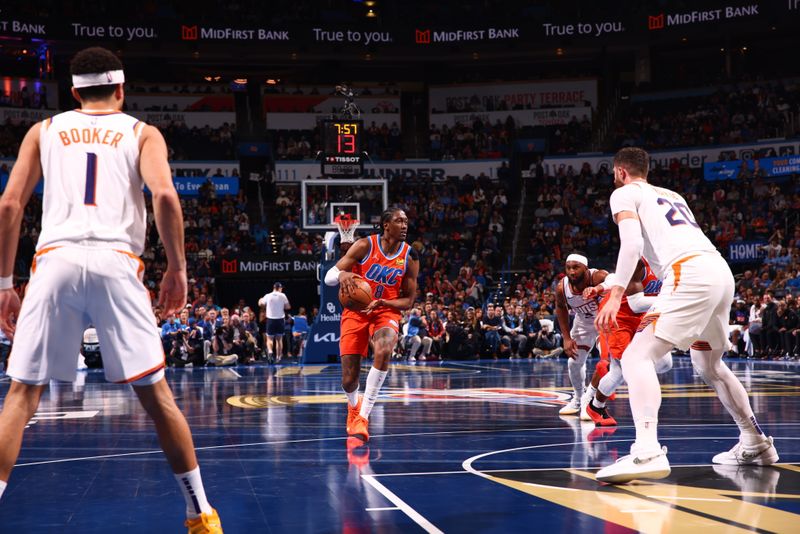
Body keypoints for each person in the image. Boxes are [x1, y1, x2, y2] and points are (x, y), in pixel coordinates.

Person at [0, 47, 222, 531]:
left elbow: (10, 205)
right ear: (121, 89)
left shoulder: (44, 130)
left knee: (21, 396)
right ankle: (200, 514)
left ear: (74, 91)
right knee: (156, 395)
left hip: (54, 260)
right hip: (117, 262)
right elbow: (164, 195)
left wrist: (3, 282)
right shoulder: (143, 132)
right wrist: (177, 269)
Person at [595, 147, 777, 484]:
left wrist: (615, 293)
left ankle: (646, 450)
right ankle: (755, 442)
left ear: (620, 171)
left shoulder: (623, 193)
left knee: (637, 356)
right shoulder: (671, 194)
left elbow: (631, 244)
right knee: (709, 364)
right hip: (719, 271)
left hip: (688, 272)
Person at [323, 208, 419, 443]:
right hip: (356, 312)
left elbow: (408, 300)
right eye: (399, 221)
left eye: (406, 221)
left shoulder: (410, 255)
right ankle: (353, 408)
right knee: (349, 380)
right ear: (386, 225)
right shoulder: (365, 245)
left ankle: (363, 418)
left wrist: (384, 301)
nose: (404, 225)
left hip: (384, 310)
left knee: (384, 349)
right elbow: (329, 276)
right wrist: (343, 276)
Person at [580, 258, 665, 427]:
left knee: (665, 362)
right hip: (619, 314)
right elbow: (615, 279)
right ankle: (595, 406)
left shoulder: (671, 262)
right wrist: (598, 288)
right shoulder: (639, 260)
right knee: (621, 371)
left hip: (643, 314)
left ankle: (600, 397)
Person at [554, 253, 608, 415]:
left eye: (576, 267)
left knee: (606, 363)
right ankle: (578, 398)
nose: (571, 272)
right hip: (583, 323)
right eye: (568, 268)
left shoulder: (598, 277)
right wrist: (566, 338)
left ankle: (590, 399)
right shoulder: (561, 287)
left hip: (604, 322)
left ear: (586, 268)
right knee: (573, 363)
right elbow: (561, 308)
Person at [258, 282, 290, 362]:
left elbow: (261, 304)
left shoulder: (267, 296)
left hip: (270, 320)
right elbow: (288, 307)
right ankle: (278, 358)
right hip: (280, 320)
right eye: (281, 288)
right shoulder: (283, 295)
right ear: (280, 288)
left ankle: (270, 351)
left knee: (270, 339)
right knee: (279, 340)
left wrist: (260, 300)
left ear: (273, 287)